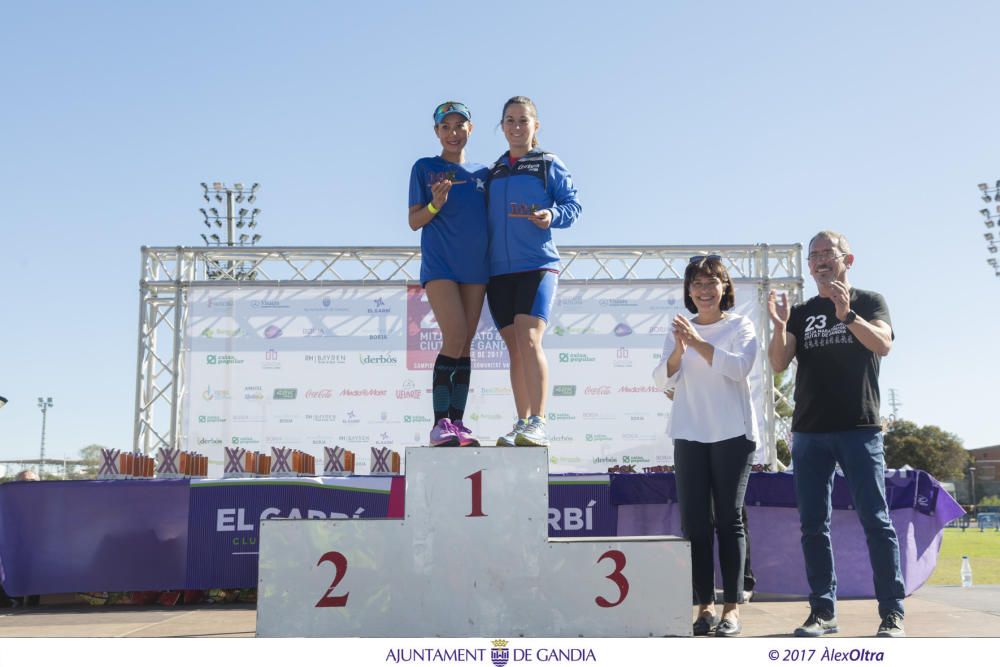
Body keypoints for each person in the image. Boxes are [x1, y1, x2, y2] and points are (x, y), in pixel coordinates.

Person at [768, 230, 905, 638]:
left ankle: (892, 613)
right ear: (809, 266)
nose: (821, 260)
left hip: (859, 429)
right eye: (814, 256)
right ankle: (822, 612)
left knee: (876, 521)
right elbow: (779, 362)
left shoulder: (869, 301)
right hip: (809, 433)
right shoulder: (801, 311)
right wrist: (777, 326)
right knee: (813, 526)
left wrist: (847, 315)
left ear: (849, 259)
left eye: (829, 253)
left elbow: (882, 345)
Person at [652, 255, 759, 637]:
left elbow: (738, 368)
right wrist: (681, 347)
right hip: (689, 433)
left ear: (725, 288)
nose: (704, 290)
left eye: (712, 282)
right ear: (689, 291)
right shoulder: (679, 329)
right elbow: (660, 378)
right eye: (696, 283)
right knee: (695, 524)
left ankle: (732, 607)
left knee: (728, 520)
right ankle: (705, 606)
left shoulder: (740, 326)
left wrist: (697, 343)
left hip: (733, 435)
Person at [485, 96, 581, 447]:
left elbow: (573, 205)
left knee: (529, 338)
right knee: (514, 348)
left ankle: (539, 421)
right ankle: (522, 422)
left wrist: (551, 216)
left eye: (523, 120)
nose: (515, 127)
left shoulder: (547, 163)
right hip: (497, 271)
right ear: (502, 126)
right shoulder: (492, 171)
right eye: (509, 120)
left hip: (537, 264)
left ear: (535, 126)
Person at [408, 101, 489, 447]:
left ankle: (458, 422)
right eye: (446, 127)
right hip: (441, 265)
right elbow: (414, 221)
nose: (453, 133)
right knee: (454, 335)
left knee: (465, 344)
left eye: (459, 126)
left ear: (470, 129)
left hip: (477, 267)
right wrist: (433, 206)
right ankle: (439, 422)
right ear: (436, 132)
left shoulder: (486, 173)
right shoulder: (425, 168)